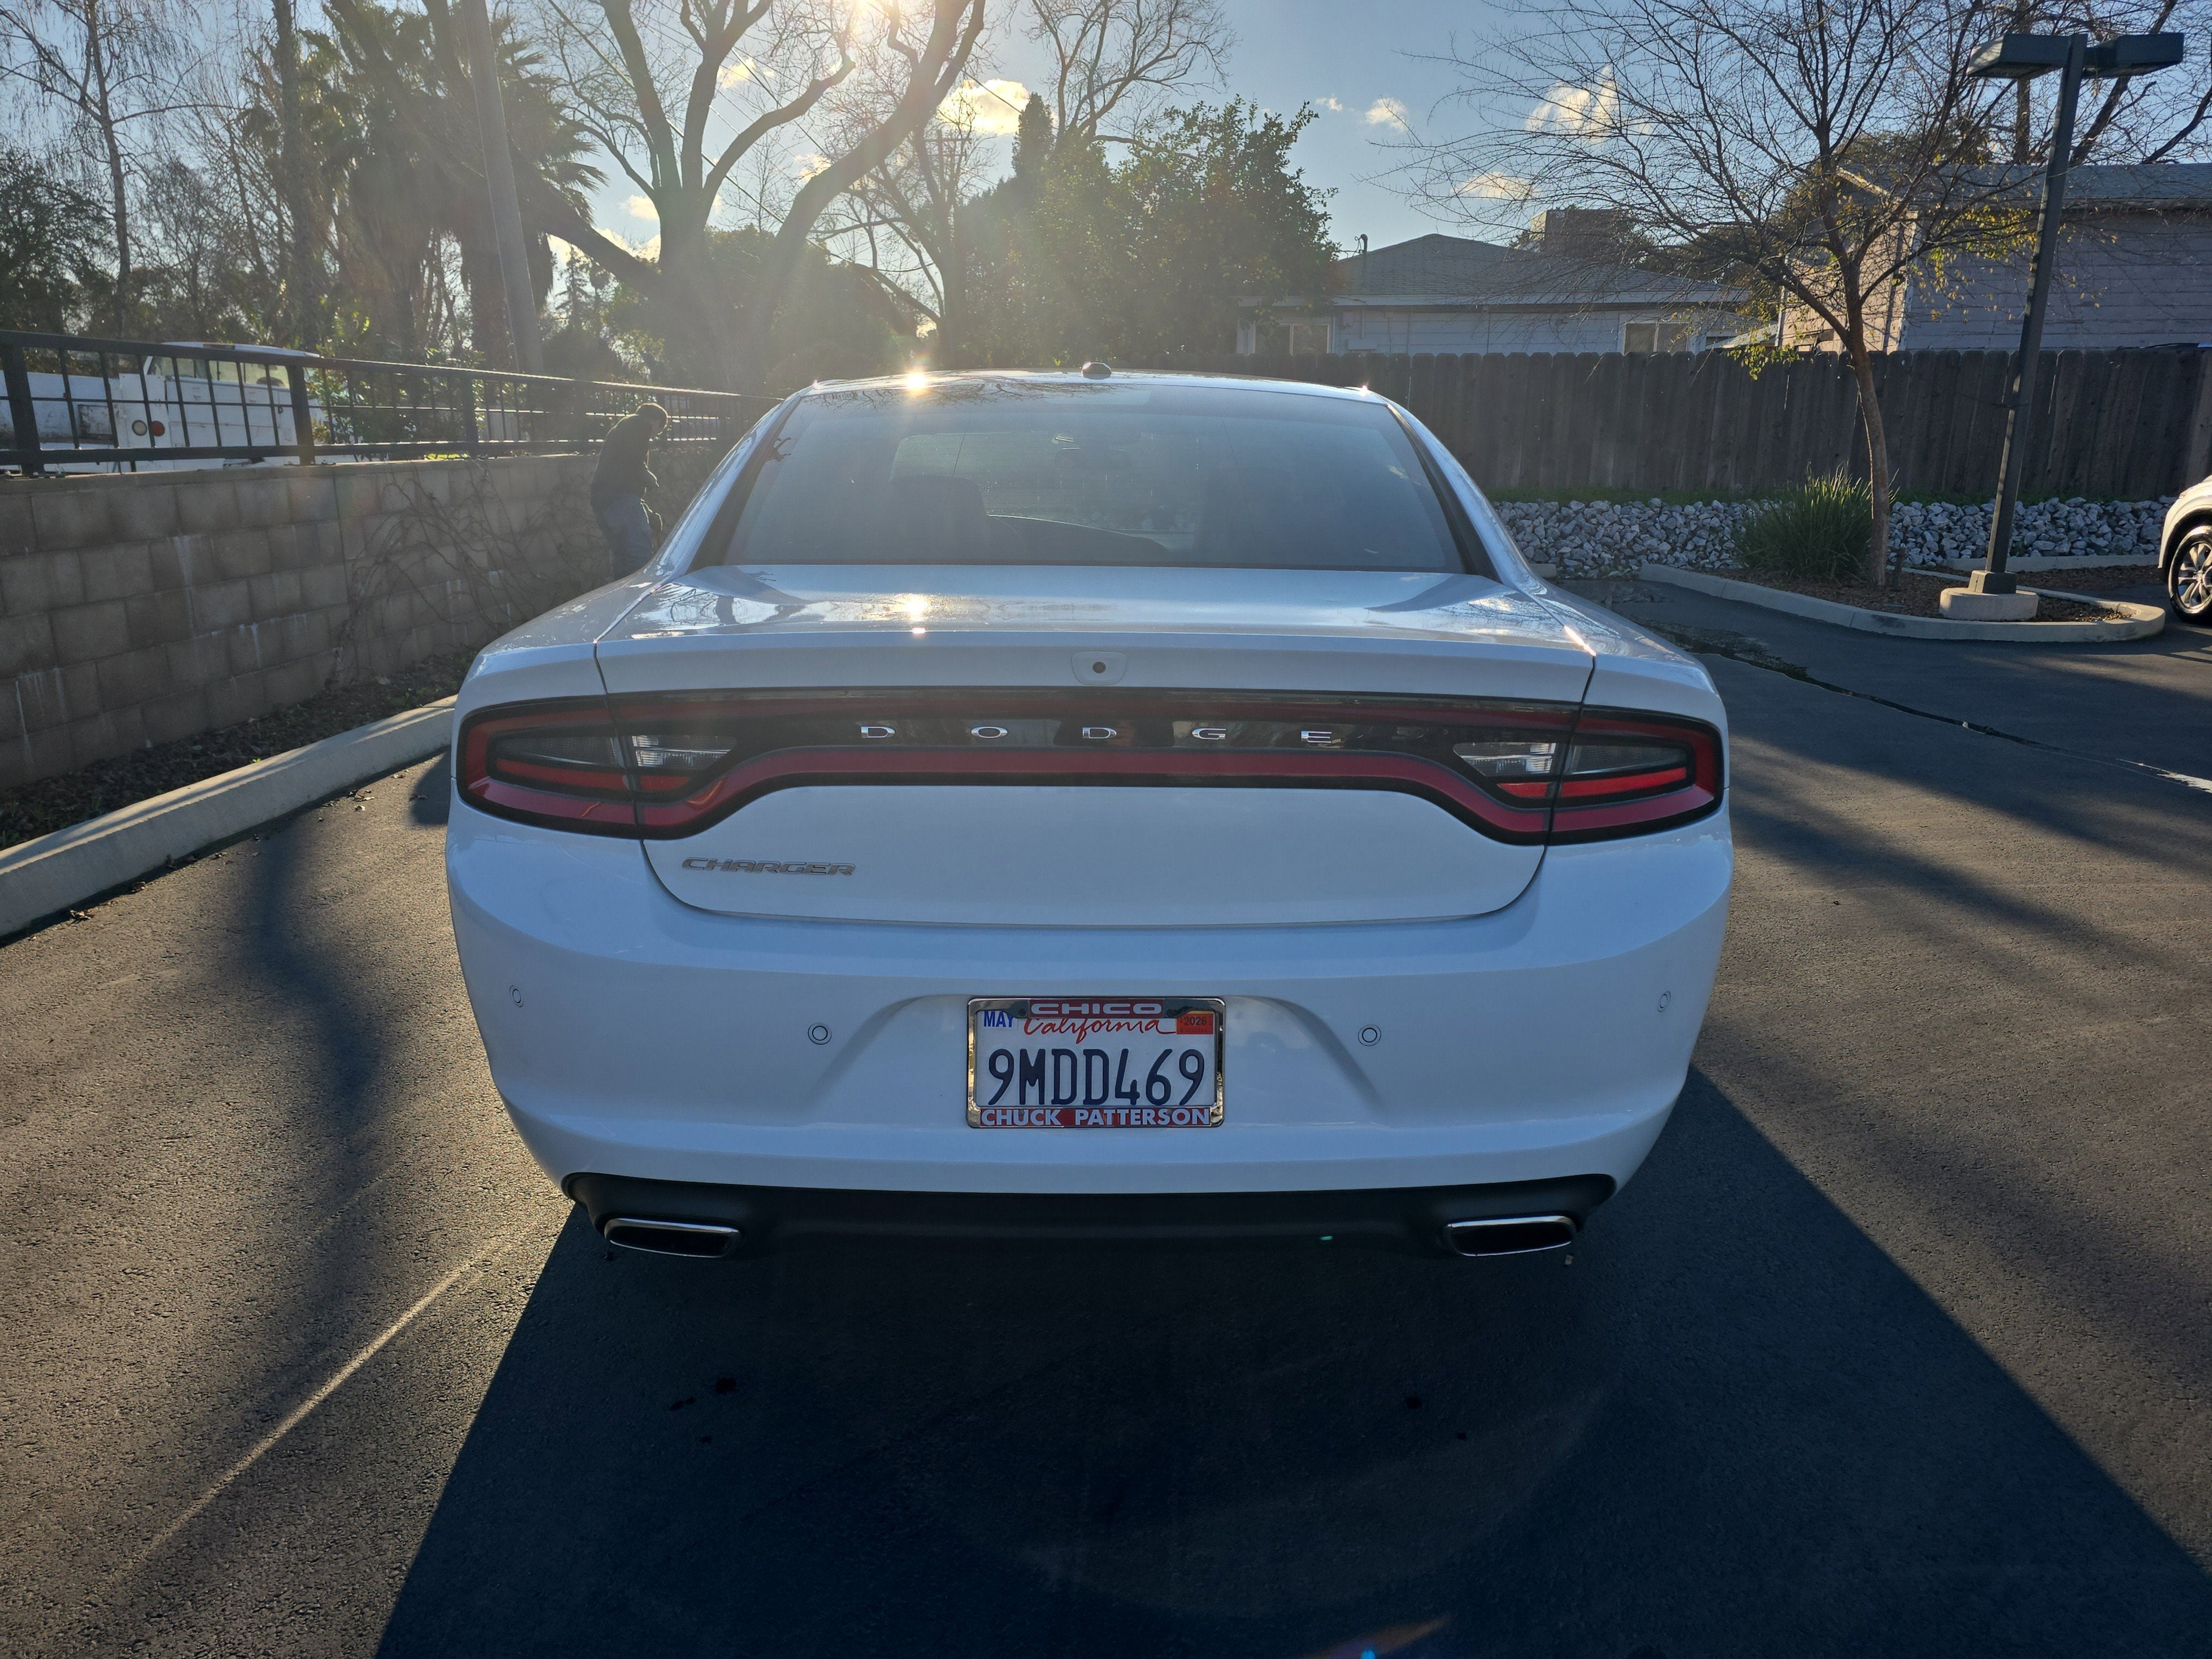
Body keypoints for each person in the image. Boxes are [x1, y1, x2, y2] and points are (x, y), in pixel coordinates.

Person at [593, 402, 669, 580]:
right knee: (639, 557)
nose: (655, 435)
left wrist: (648, 513)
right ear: (655, 422)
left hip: (602, 502)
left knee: (622, 558)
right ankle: (640, 598)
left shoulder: (622, 430)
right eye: (660, 429)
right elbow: (633, 461)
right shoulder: (639, 424)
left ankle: (622, 599)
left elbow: (625, 477)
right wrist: (648, 476)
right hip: (620, 500)